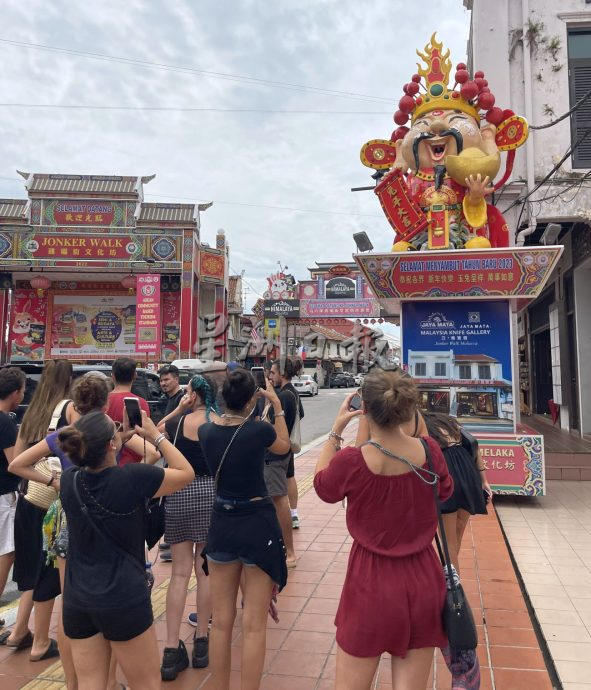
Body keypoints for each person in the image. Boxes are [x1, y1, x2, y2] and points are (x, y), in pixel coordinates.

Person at [314, 370, 453, 690]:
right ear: (408, 408)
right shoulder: (430, 451)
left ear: (366, 410)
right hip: (423, 579)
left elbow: (323, 487)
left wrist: (336, 430)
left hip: (370, 583)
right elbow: (444, 492)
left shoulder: (353, 461)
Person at [57, 409, 194, 690]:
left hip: (78, 597)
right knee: (145, 683)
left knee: (90, 683)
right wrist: (155, 436)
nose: (122, 429)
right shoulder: (132, 478)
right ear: (111, 443)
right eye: (117, 427)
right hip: (123, 596)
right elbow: (186, 472)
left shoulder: (69, 481)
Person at [198, 368, 290, 690]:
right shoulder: (259, 431)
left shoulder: (206, 432)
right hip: (256, 524)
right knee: (253, 625)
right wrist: (276, 405)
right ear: (252, 399)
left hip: (221, 523)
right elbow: (284, 446)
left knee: (221, 623)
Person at [0, 359, 74, 661]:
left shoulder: (31, 412)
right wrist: (52, 478)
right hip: (51, 502)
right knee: (46, 572)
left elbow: (16, 458)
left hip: (28, 498)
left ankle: (20, 632)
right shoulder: (68, 409)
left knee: (31, 567)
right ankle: (35, 638)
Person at [160, 375, 219, 680]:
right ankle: (202, 642)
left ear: (194, 394)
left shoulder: (175, 425)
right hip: (211, 494)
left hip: (180, 492)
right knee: (204, 570)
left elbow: (154, 435)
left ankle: (170, 650)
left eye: (187, 391)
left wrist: (176, 410)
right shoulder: (218, 421)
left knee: (179, 573)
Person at [423, 412, 491, 574]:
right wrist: (484, 481)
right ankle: (449, 576)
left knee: (448, 542)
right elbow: (475, 446)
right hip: (469, 476)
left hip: (448, 478)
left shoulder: (423, 429)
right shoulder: (450, 423)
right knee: (456, 536)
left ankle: (454, 588)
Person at [265, 358, 304, 566]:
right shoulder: (293, 393)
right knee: (281, 493)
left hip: (276, 453)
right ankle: (283, 545)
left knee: (278, 499)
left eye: (273, 372)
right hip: (285, 450)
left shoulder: (283, 396)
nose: (270, 376)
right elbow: (301, 415)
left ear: (282, 373)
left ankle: (288, 551)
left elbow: (268, 424)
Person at [0, 368, 25, 618]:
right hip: (3, 495)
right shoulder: (5, 422)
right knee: (6, 553)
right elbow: (14, 462)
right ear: (16, 392)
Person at [106, 357, 150, 466]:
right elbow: (144, 435)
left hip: (106, 461)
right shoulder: (141, 403)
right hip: (132, 464)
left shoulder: (102, 400)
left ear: (113, 376)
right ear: (135, 375)